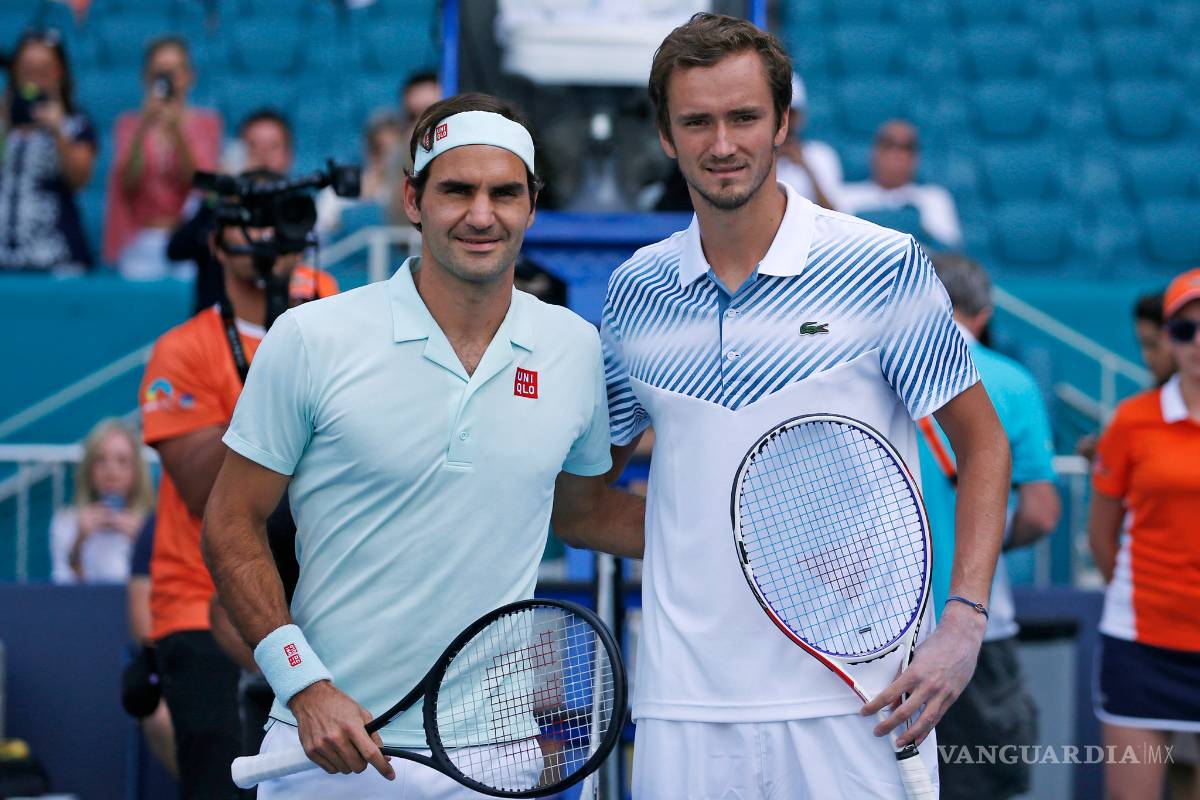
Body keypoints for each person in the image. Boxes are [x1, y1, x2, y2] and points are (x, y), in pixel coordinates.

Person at [602, 14, 1011, 798]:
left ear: (783, 125)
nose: (722, 143)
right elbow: (585, 495)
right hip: (684, 707)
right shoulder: (634, 293)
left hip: (862, 702)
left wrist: (963, 620)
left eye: (745, 117)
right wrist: (715, 543)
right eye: (697, 121)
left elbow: (984, 445)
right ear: (665, 135)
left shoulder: (880, 264)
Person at [201, 92, 645, 799]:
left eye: (504, 193)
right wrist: (304, 684)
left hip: (497, 761)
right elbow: (229, 522)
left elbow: (582, 513)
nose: (480, 214)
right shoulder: (312, 338)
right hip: (325, 749)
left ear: (532, 205)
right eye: (456, 190)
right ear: (412, 199)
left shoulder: (575, 348)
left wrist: (731, 539)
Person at [139, 172, 326, 799]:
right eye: (253, 222)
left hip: (315, 601)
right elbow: (204, 489)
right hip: (200, 601)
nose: (272, 236)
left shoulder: (334, 329)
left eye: (284, 220)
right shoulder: (182, 350)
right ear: (218, 244)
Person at [917, 253, 1061, 800]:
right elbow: (1042, 511)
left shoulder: (869, 369)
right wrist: (991, 544)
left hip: (870, 626)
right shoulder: (1012, 380)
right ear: (983, 311)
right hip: (974, 625)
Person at [1088, 267, 1200, 800]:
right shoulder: (1132, 421)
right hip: (1143, 644)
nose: (1198, 341)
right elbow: (1102, 534)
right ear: (1169, 339)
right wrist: (1144, 598)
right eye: (1185, 329)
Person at [170, 109, 336, 314]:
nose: (263, 155)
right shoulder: (216, 202)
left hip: (286, 323)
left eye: (273, 146)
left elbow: (315, 259)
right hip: (218, 330)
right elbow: (177, 249)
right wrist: (219, 199)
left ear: (289, 155)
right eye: (253, 146)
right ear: (237, 152)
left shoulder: (301, 208)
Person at [104, 36, 221, 278]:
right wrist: (143, 127)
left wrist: (177, 130)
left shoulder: (206, 123)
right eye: (160, 72)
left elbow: (200, 184)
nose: (169, 80)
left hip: (188, 240)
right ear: (147, 77)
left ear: (190, 76)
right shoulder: (129, 125)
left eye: (175, 71)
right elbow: (127, 183)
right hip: (140, 240)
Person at [0, 29, 97, 273]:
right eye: (27, 68)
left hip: (57, 255)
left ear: (60, 72)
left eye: (44, 69)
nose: (35, 77)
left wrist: (58, 130)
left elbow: (79, 179)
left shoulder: (76, 122)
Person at [50, 419, 154, 584]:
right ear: (88, 469)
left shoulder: (153, 526)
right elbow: (62, 592)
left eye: (122, 461)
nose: (111, 471)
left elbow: (164, 591)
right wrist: (78, 541)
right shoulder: (66, 522)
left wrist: (145, 543)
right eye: (101, 460)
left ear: (137, 471)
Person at [839, 119, 963, 250]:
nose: (897, 154)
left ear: (916, 157)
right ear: (874, 152)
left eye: (907, 148)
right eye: (888, 145)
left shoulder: (934, 198)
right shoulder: (845, 197)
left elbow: (950, 252)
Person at [123, 513, 179, 777]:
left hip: (249, 664)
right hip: (180, 660)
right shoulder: (158, 525)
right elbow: (142, 628)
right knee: (160, 715)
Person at [316, 111, 403, 238]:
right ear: (366, 149)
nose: (384, 158)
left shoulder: (405, 195)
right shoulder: (336, 192)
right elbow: (320, 238)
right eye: (377, 148)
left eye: (391, 151)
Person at [774, 72, 841, 210]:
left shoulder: (822, 155)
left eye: (791, 113)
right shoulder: (759, 157)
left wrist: (806, 168)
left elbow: (836, 215)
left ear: (801, 116)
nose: (786, 119)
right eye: (780, 112)